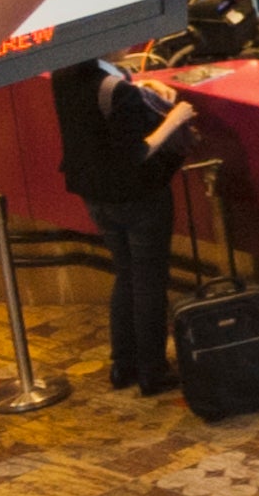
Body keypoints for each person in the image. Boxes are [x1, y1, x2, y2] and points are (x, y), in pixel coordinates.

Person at [61, 55, 195, 397]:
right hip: (139, 198)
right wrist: (175, 118)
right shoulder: (116, 91)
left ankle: (124, 366)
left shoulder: (64, 74)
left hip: (97, 197)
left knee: (126, 275)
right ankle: (152, 371)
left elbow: (100, 122)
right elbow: (138, 151)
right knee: (149, 282)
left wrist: (138, 90)